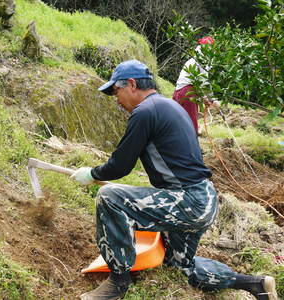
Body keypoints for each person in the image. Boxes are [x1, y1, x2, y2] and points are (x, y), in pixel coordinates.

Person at [71, 60, 278, 300]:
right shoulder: (171, 106)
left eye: (116, 92)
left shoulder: (145, 112)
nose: (117, 100)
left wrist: (92, 174)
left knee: (110, 198)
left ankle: (118, 282)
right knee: (181, 266)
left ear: (131, 84)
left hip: (186, 201)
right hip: (205, 199)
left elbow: (120, 165)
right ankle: (255, 284)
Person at [173, 36, 220, 136]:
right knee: (190, 122)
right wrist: (212, 100)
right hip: (188, 92)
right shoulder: (202, 60)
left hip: (178, 92)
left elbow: (198, 83)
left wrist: (205, 99)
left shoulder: (193, 59)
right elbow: (203, 82)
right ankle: (193, 147)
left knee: (178, 121)